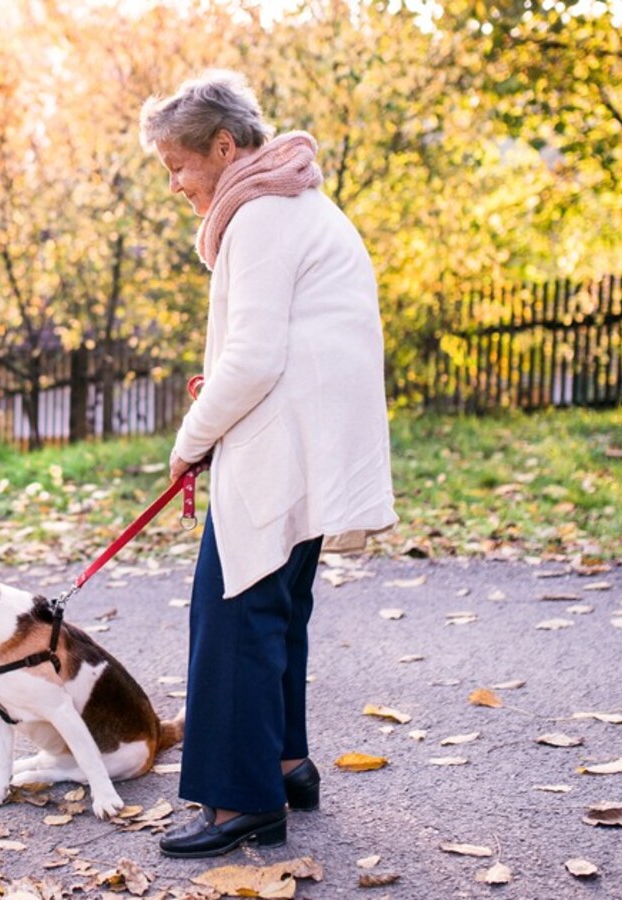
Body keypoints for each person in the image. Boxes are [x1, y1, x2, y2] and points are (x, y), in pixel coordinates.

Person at [139, 70, 397, 859]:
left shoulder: (258, 218)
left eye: (179, 165)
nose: (176, 184)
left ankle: (240, 803)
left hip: (281, 447)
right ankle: (285, 766)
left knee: (231, 617)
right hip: (313, 447)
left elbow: (252, 359)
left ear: (224, 147)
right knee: (276, 611)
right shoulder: (299, 205)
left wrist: (189, 442)